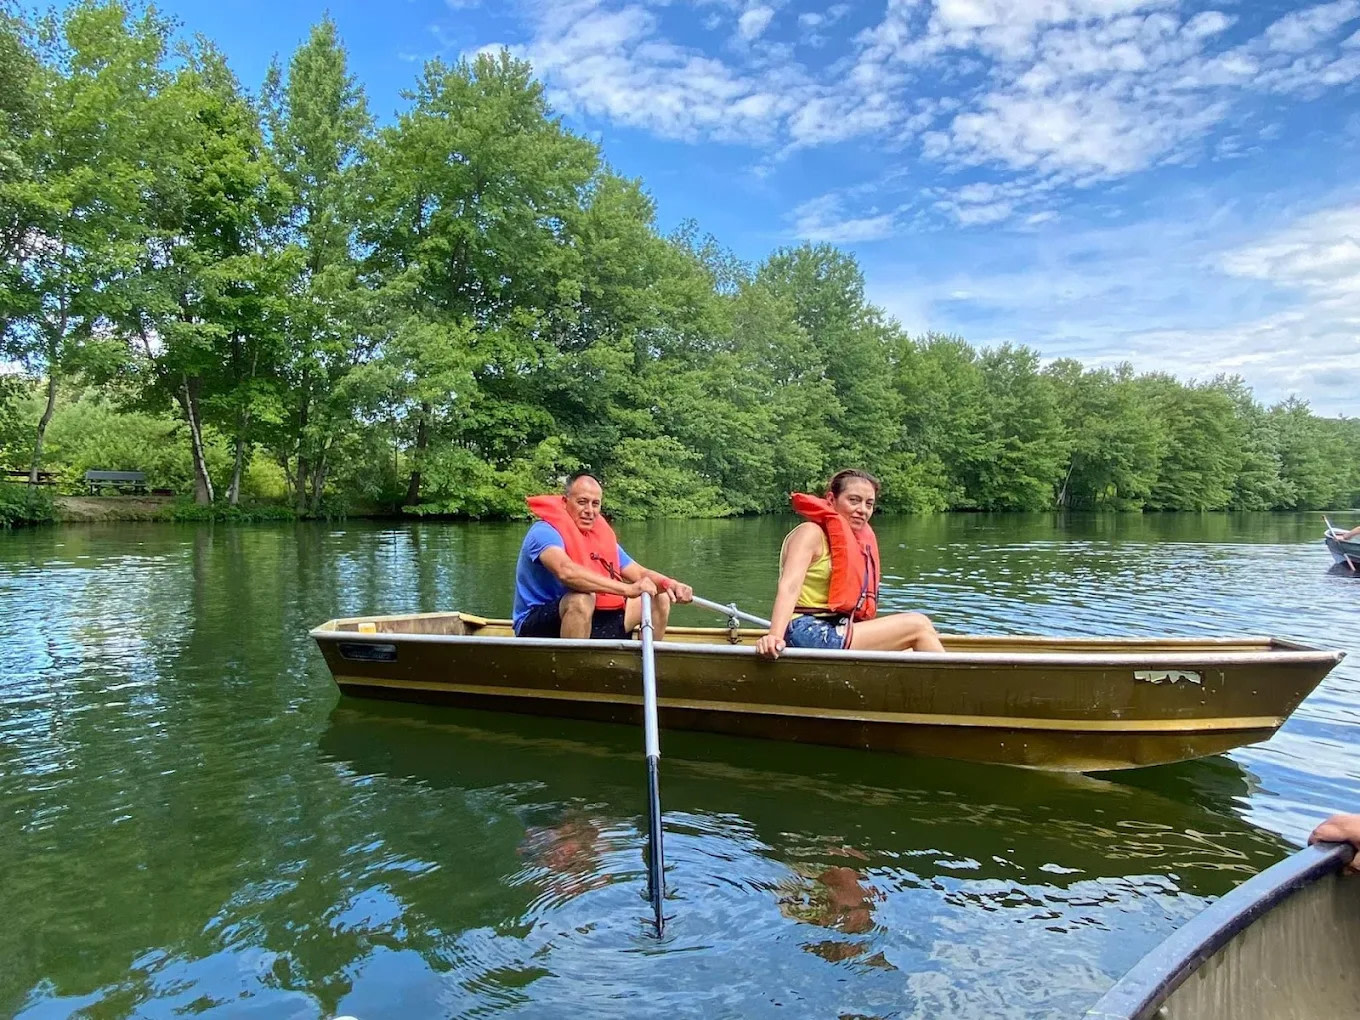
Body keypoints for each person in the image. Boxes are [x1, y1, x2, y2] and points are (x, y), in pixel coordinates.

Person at [755, 469, 944, 659]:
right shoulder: (809, 533)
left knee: (918, 640)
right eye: (854, 500)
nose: (862, 510)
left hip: (838, 627)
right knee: (918, 625)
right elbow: (790, 586)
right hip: (807, 631)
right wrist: (775, 636)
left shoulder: (857, 541)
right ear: (831, 499)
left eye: (869, 504)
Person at [513, 471, 693, 640]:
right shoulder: (543, 532)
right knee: (582, 599)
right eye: (582, 502)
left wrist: (670, 584)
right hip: (537, 626)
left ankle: (643, 667)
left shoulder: (599, 537)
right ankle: (571, 671)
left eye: (595, 504)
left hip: (588, 619)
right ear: (565, 501)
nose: (589, 510)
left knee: (659, 595)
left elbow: (639, 573)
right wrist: (627, 589)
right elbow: (566, 571)